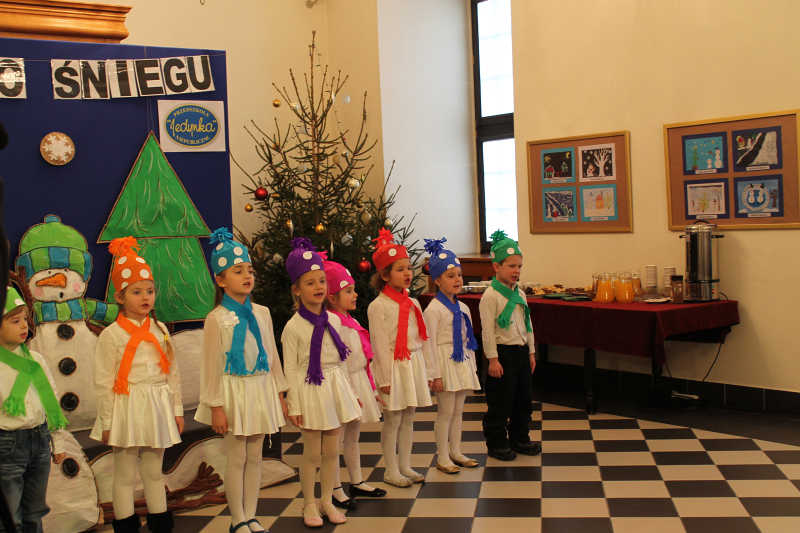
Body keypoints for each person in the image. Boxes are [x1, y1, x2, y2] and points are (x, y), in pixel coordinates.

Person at [195, 228, 287, 533]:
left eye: (249, 270)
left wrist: (280, 392)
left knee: (256, 456)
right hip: (233, 392)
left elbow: (272, 355)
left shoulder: (262, 313)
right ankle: (237, 519)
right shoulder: (216, 318)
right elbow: (210, 367)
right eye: (238, 271)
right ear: (221, 280)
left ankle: (252, 515)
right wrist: (216, 406)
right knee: (236, 458)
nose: (247, 276)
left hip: (260, 389)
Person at [90, 237, 183, 533]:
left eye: (150, 291)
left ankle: (160, 522)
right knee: (125, 474)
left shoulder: (160, 329)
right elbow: (103, 382)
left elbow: (172, 373)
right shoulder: (112, 335)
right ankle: (126, 525)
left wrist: (176, 410)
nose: (146, 297)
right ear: (120, 296)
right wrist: (107, 421)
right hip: (126, 405)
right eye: (137, 291)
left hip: (156, 404)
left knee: (154, 471)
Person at [281, 238, 361, 528]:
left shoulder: (334, 321)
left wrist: (349, 392)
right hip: (310, 390)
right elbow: (291, 369)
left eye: (322, 281)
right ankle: (309, 503)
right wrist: (294, 404)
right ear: (297, 289)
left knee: (331, 451)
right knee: (312, 453)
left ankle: (327, 500)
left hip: (334, 387)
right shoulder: (293, 327)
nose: (318, 287)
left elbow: (341, 361)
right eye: (310, 282)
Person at [367, 228, 434, 487]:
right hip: (393, 367)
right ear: (385, 275)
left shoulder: (413, 303)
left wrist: (427, 370)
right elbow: (379, 345)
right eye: (400, 269)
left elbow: (421, 338)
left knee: (409, 417)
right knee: (393, 419)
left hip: (412, 364)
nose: (407, 273)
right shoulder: (378, 306)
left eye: (409, 268)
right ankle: (391, 469)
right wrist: (384, 379)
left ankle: (405, 465)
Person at [0, 286, 68, 533]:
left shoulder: (36, 360)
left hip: (39, 441)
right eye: (14, 321)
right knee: (11, 517)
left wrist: (58, 442)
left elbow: (51, 401)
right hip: (7, 445)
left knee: (34, 513)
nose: (23, 326)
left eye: (25, 320)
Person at [322, 258, 385, 509]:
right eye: (348, 291)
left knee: (353, 436)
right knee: (335, 440)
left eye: (353, 290)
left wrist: (371, 387)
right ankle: (334, 487)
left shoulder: (352, 321)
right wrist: (348, 390)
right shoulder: (332, 323)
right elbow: (338, 361)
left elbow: (364, 358)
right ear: (332, 297)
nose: (355, 294)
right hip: (342, 384)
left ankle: (356, 480)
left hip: (358, 380)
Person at [478, 230, 540, 461]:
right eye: (511, 266)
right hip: (502, 354)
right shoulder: (490, 296)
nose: (516, 271)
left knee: (523, 399)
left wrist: (531, 352)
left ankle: (520, 438)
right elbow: (487, 331)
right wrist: (492, 360)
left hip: (521, 352)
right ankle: (496, 442)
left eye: (519, 266)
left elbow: (528, 324)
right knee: (501, 401)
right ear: (496, 267)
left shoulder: (520, 294)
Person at [422, 238, 481, 473]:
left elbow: (468, 340)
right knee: (445, 412)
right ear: (437, 280)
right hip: (444, 363)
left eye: (459, 275)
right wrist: (434, 374)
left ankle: (456, 451)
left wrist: (472, 366)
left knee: (458, 411)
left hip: (461, 362)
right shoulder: (433, 310)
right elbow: (429, 343)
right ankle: (443, 456)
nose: (457, 280)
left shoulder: (463, 308)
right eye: (450, 276)